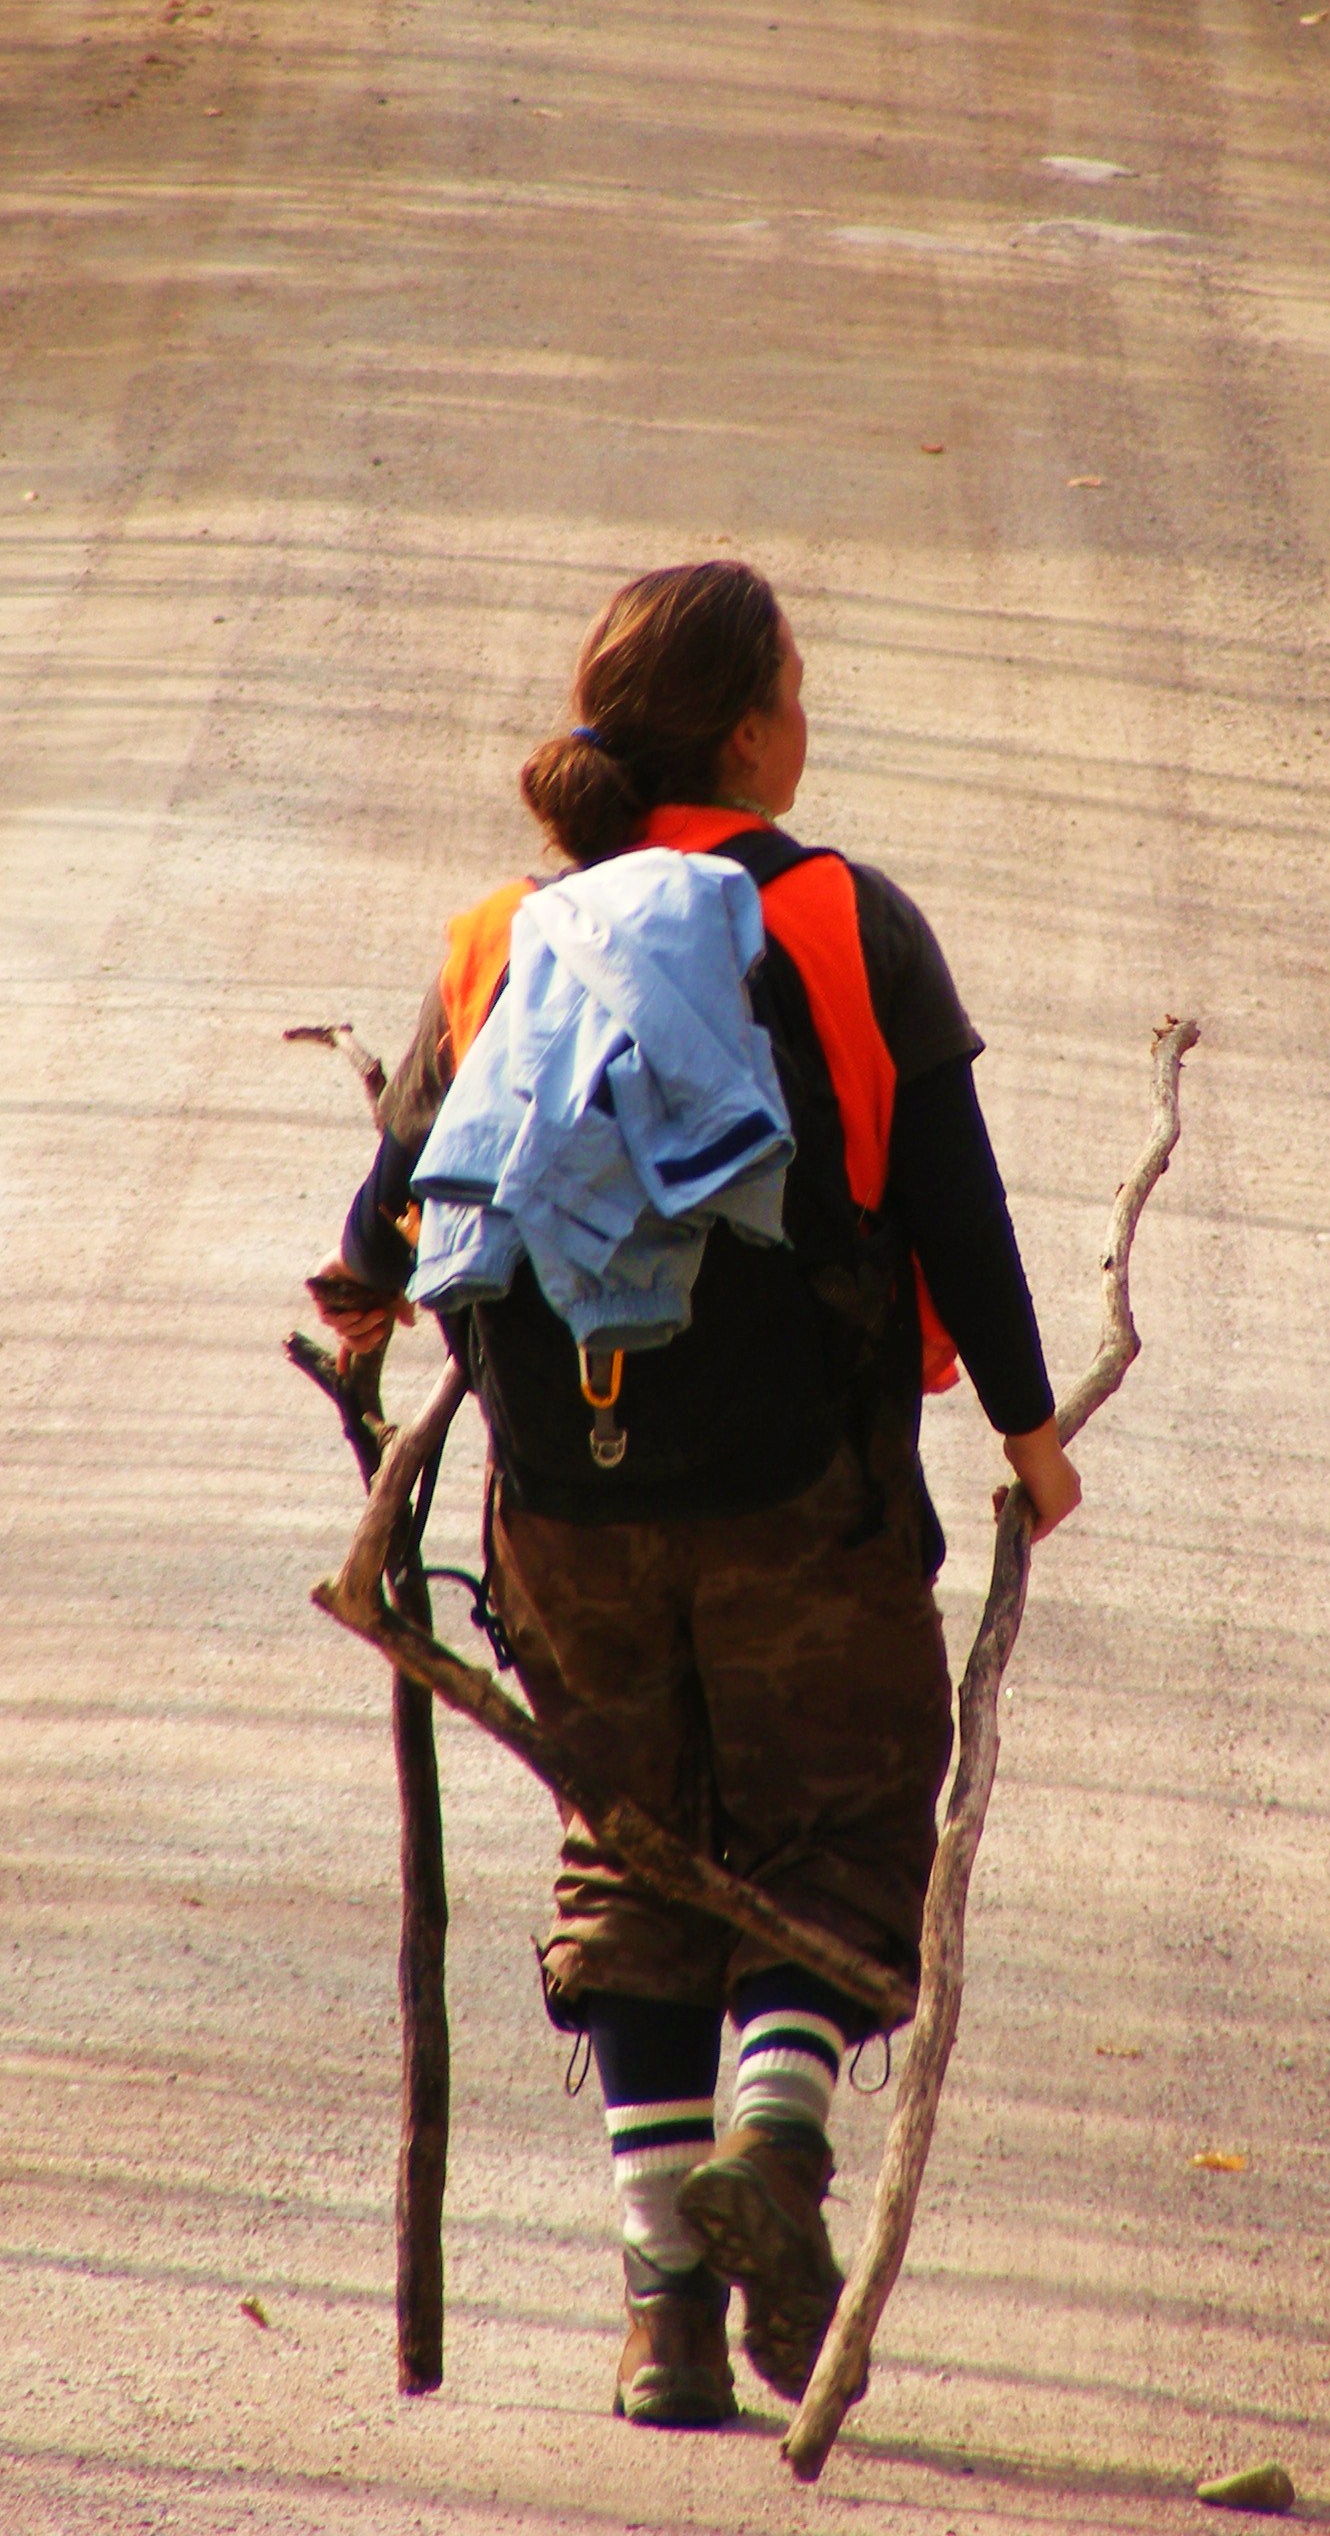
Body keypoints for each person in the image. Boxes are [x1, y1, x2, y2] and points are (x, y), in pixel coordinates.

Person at [309, 560, 1078, 2429]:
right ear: (747, 733)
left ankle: (663, 2306)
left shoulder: (501, 934)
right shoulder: (841, 919)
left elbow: (398, 1202)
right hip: (802, 1495)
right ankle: (776, 2131)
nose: (808, 722)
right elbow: (957, 1203)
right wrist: (1029, 1429)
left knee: (628, 1836)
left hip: (563, 1501)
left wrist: (360, 1307)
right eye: (796, 692)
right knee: (839, 1819)